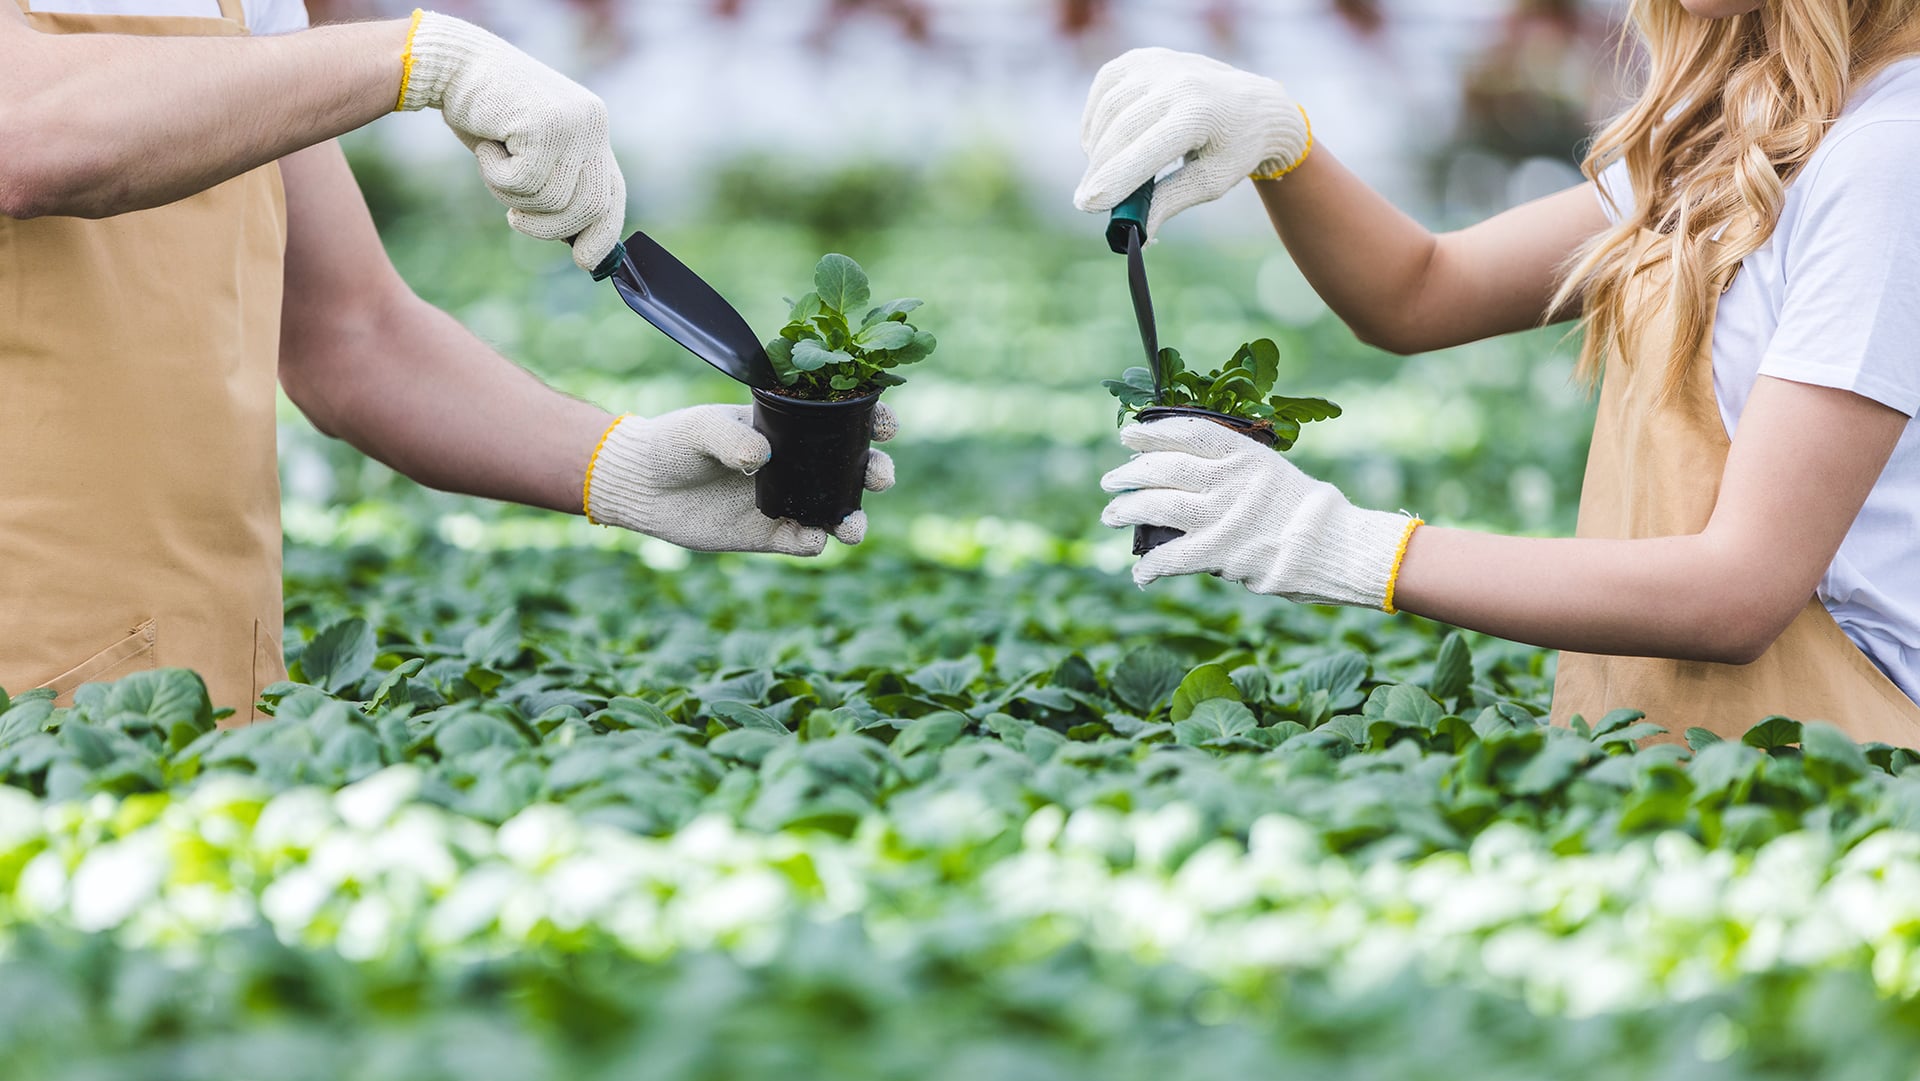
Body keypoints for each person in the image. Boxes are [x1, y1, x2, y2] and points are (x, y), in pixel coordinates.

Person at [0, 2, 893, 724]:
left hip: (199, 689)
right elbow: (28, 131)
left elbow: (354, 333)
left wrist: (620, 466)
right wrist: (427, 61)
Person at [1079, 1, 1920, 746]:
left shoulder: (1889, 155)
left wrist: (1338, 543)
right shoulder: (1744, 132)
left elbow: (1741, 589)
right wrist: (1278, 140)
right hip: (1703, 748)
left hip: (1849, 747)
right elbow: (1419, 293)